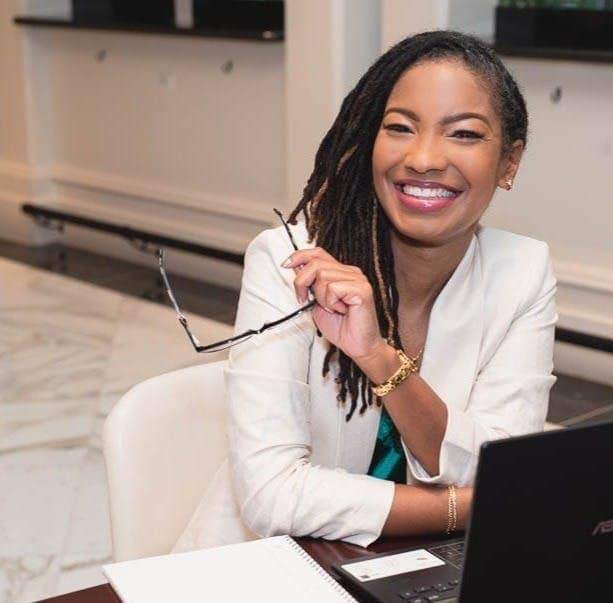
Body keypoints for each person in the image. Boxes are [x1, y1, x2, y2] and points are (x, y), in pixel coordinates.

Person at [172, 30, 557, 552]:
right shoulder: (291, 263)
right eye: (399, 127)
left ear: (509, 162)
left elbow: (499, 464)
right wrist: (456, 508)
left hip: (422, 569)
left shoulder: (523, 271)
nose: (423, 158)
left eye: (463, 134)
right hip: (271, 570)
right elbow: (271, 497)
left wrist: (379, 358)